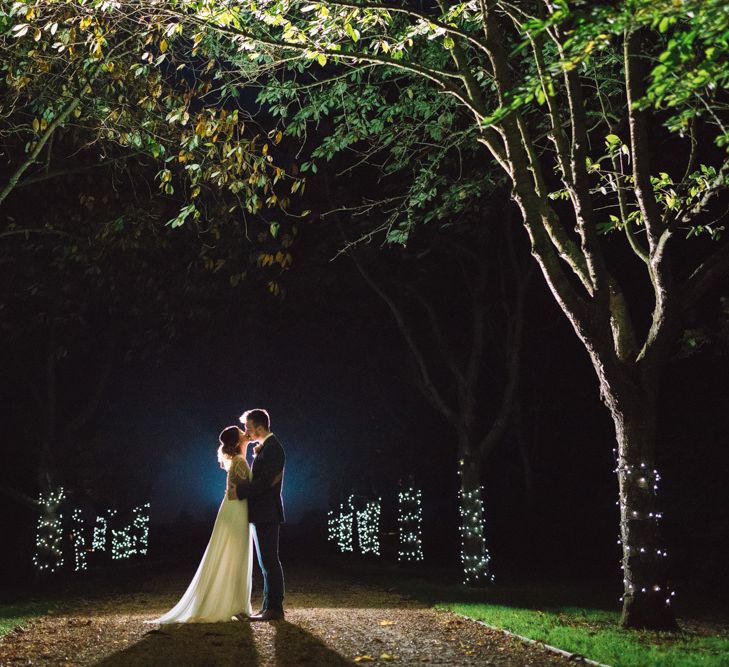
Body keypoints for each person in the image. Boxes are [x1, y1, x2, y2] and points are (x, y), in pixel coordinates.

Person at [147, 426, 253, 623]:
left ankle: (235, 603)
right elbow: (246, 488)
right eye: (241, 432)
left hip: (234, 509)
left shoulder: (238, 460)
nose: (244, 433)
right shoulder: (240, 462)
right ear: (238, 441)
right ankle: (233, 604)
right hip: (236, 511)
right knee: (235, 554)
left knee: (235, 555)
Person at [234, 408, 286, 622]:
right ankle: (268, 607)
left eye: (249, 427)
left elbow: (265, 482)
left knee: (270, 560)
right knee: (266, 561)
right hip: (262, 511)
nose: (247, 431)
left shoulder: (274, 448)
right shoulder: (267, 447)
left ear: (260, 427)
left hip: (267, 511)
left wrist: (240, 491)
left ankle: (275, 609)